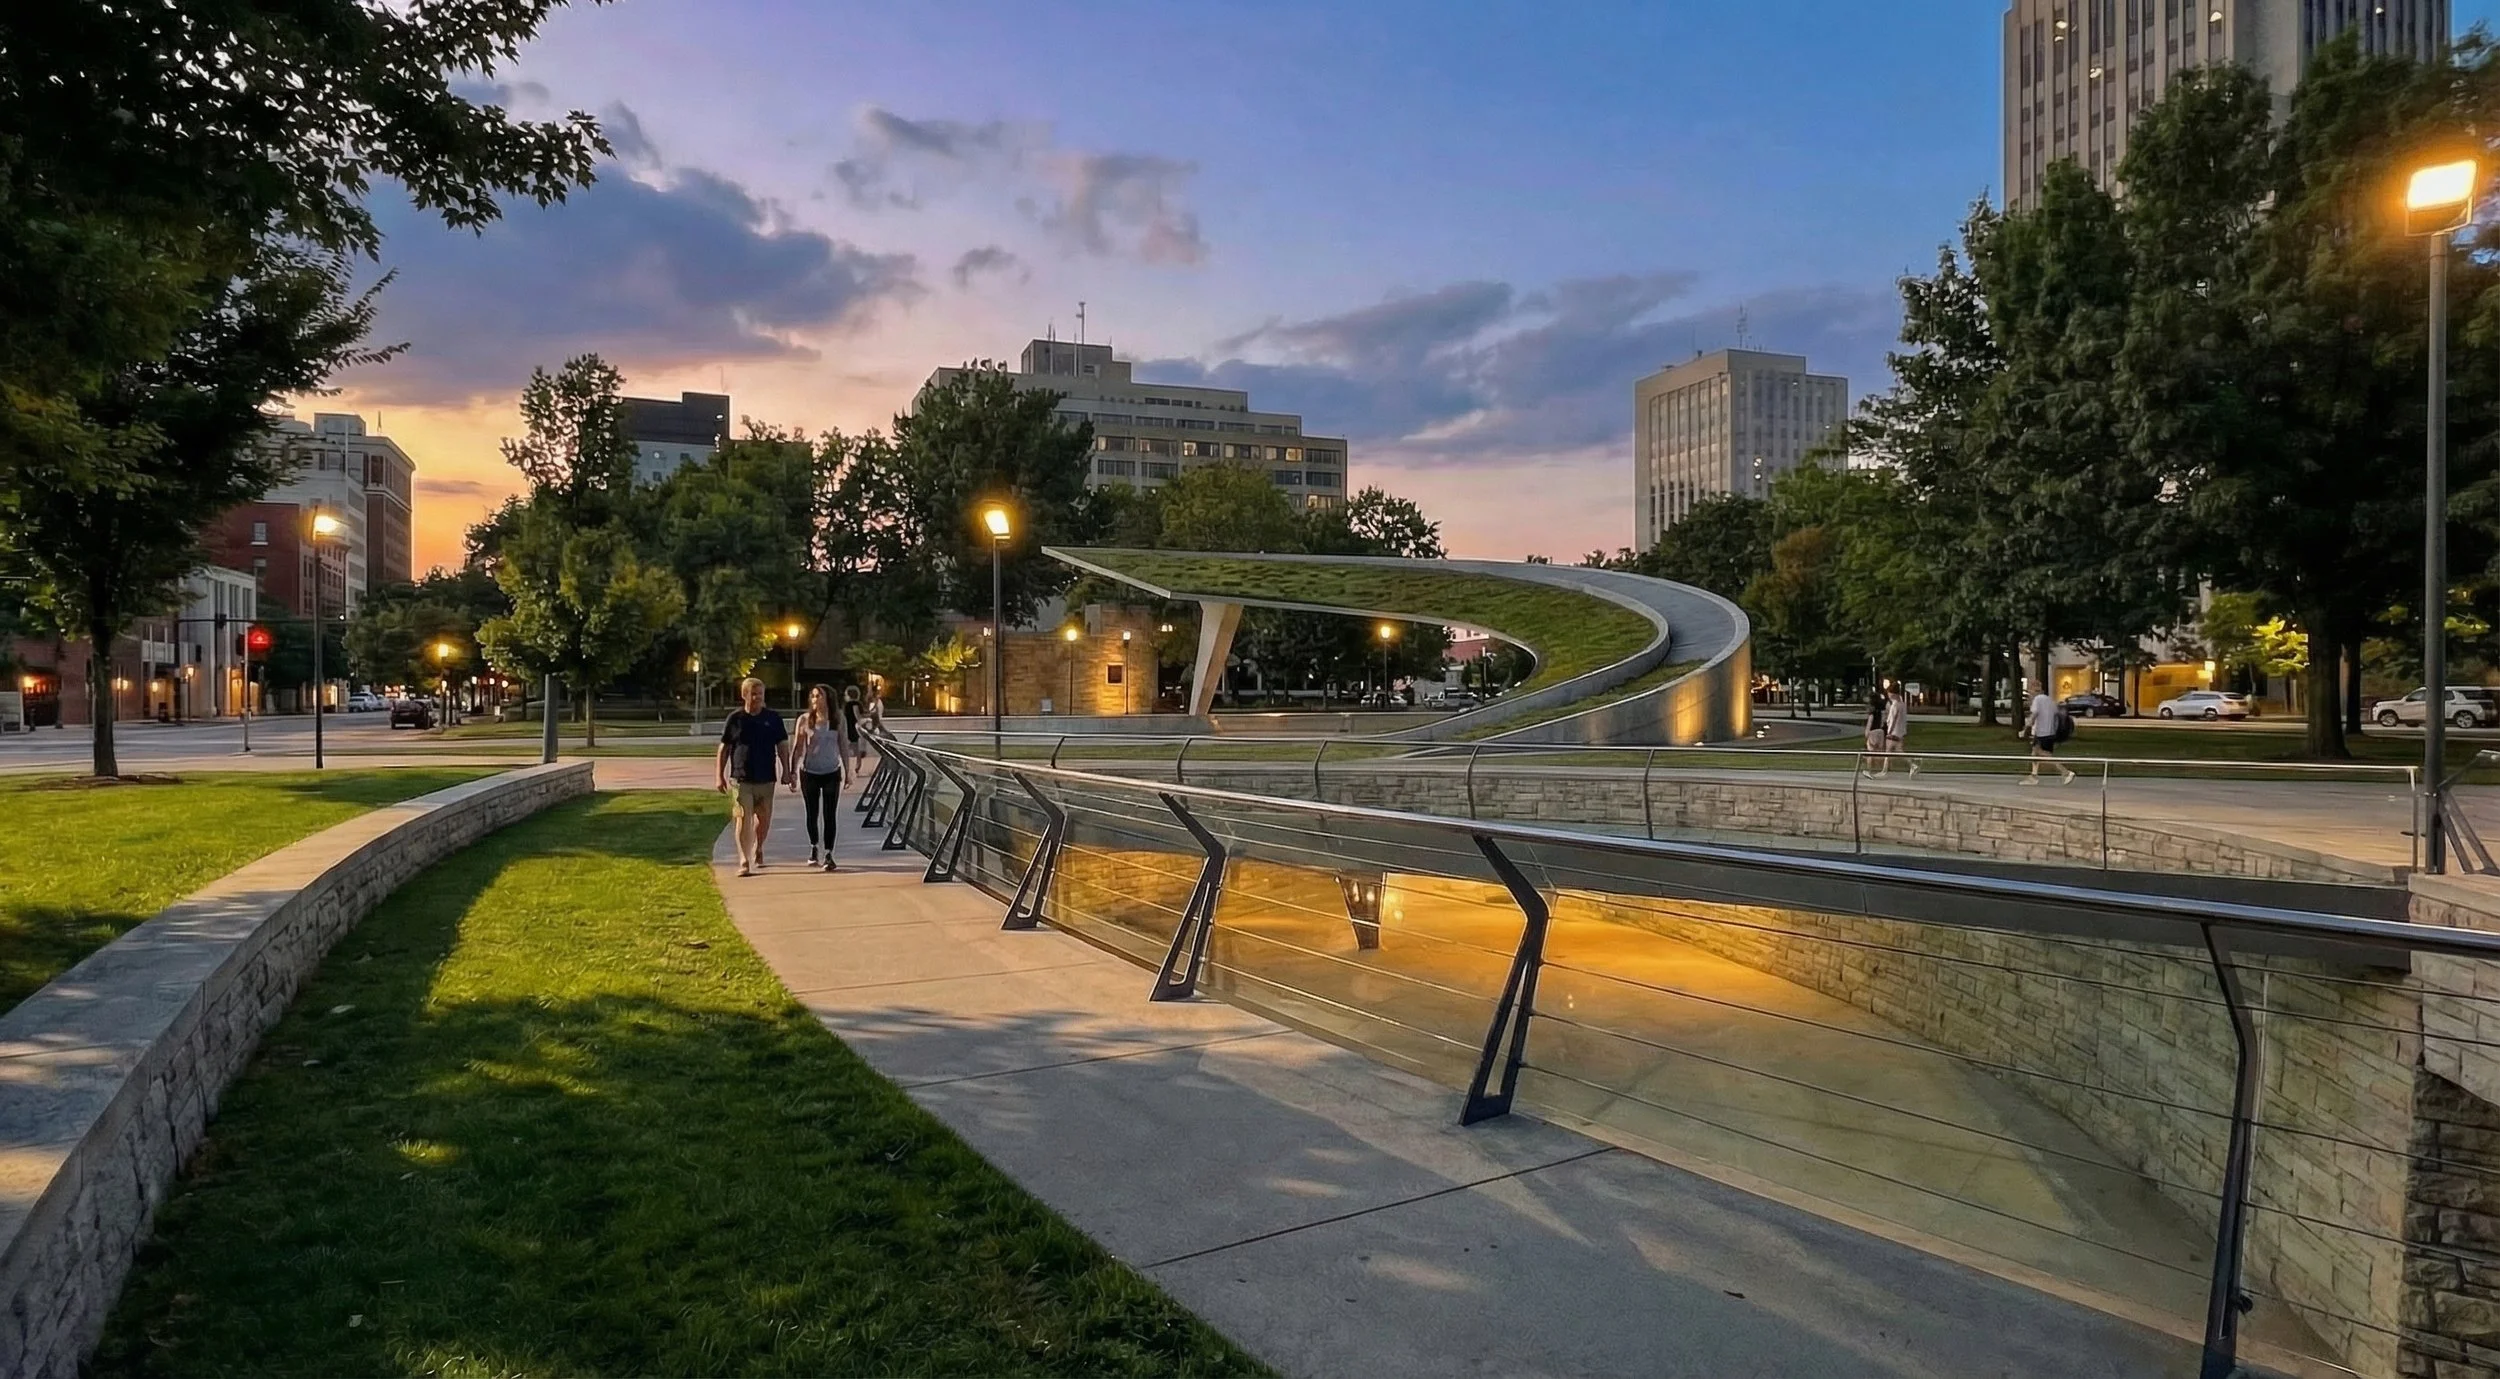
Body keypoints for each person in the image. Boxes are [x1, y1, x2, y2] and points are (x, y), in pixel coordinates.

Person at [715, 676, 792, 876]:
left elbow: (782, 746)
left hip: (766, 778)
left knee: (763, 819)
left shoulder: (773, 718)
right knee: (742, 817)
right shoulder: (736, 719)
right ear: (744, 695)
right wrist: (719, 775)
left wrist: (786, 770)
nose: (757, 697)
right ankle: (743, 859)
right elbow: (724, 748)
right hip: (741, 778)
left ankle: (758, 847)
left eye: (760, 694)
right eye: (753, 694)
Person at [791, 685, 844, 871]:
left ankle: (829, 853)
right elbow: (798, 747)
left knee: (830, 815)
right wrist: (792, 771)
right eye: (813, 696)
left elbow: (843, 745)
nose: (815, 699)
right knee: (812, 813)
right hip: (809, 772)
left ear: (827, 698)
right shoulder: (804, 720)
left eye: (818, 696)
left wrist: (848, 771)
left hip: (831, 771)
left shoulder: (837, 719)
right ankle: (814, 846)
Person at [2022, 682, 2075, 785]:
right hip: (2050, 732)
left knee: (2044, 754)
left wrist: (2025, 729)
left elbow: (2034, 715)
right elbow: (2056, 715)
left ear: (2033, 690)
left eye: (2031, 691)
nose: (2030, 694)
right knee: (2035, 753)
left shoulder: (2037, 699)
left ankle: (2066, 772)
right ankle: (2034, 776)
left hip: (2042, 732)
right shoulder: (2050, 700)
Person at [1873, 682, 1918, 778]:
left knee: (1888, 752)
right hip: (1900, 732)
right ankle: (1912, 764)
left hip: (1893, 732)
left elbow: (1893, 719)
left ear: (1892, 694)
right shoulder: (1902, 705)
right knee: (1898, 750)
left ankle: (1884, 771)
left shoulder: (1895, 705)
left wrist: (1889, 731)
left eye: (1889, 693)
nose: (1888, 695)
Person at [838, 684, 868, 785]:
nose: (845, 696)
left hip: (850, 728)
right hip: (853, 728)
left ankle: (853, 766)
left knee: (848, 748)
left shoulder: (851, 704)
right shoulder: (857, 704)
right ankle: (856, 766)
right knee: (854, 748)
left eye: (846, 694)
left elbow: (856, 715)